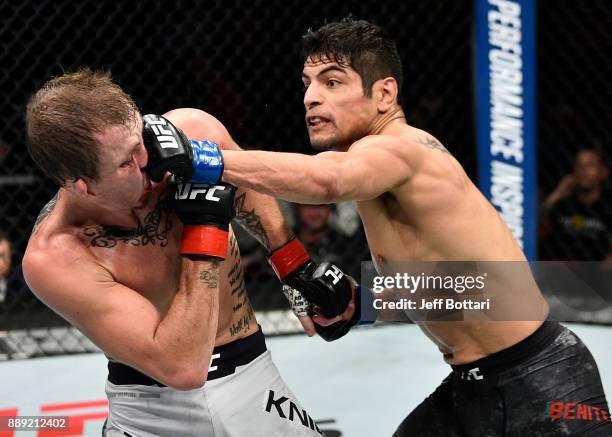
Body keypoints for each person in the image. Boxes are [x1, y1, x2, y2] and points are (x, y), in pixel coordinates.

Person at [181, 18, 612, 436]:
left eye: (332, 82)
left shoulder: (402, 150)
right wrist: (361, 303)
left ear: (385, 93)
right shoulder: (376, 174)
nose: (311, 97)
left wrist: (201, 158)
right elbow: (464, 285)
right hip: (474, 386)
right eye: (306, 83)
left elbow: (325, 180)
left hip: (545, 379)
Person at [22, 69, 355, 436]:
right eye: (124, 163)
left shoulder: (191, 133)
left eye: (139, 143)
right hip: (151, 412)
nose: (146, 161)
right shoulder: (57, 257)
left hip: (252, 374)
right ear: (81, 185)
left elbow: (249, 187)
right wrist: (205, 229)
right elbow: (182, 368)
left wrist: (293, 268)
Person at [540, 148, 611, 261]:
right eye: (579, 165)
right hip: (556, 268)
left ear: (603, 172)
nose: (583, 170)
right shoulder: (563, 202)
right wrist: (555, 196)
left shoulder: (607, 206)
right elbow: (531, 225)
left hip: (594, 271)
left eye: (590, 165)